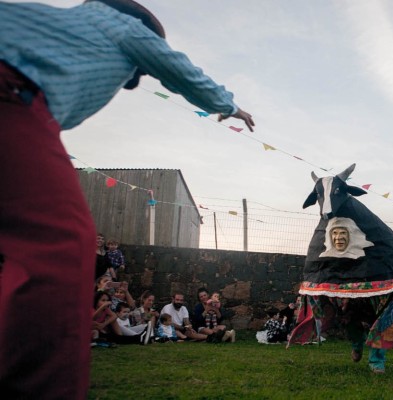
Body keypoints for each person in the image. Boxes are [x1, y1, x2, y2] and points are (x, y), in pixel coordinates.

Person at [0, 0, 255, 396]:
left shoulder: (42, 19)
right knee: (61, 244)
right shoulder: (123, 25)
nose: (128, 81)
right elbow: (179, 70)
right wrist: (228, 104)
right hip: (13, 101)